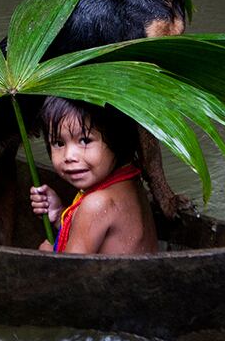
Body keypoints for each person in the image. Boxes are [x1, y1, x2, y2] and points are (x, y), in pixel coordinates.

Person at [28, 96, 158, 255]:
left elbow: (68, 272)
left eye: (84, 140)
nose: (69, 156)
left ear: (117, 139)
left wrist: (47, 255)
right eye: (58, 143)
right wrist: (59, 214)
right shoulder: (130, 181)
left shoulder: (96, 204)